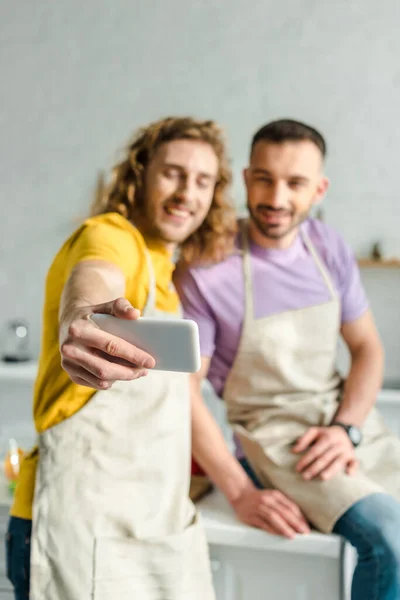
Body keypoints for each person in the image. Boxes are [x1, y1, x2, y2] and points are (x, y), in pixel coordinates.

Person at [5, 116, 236, 600]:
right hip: (78, 527)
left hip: (150, 524)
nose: (186, 193)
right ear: (140, 174)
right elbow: (93, 279)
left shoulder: (169, 275)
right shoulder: (110, 235)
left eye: (202, 181)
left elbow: (188, 403)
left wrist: (243, 492)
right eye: (172, 173)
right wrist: (84, 318)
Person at [176, 119, 400, 600]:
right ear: (245, 177)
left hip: (346, 427)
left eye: (295, 183)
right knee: (389, 540)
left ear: (319, 189)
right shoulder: (205, 266)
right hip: (274, 442)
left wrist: (347, 429)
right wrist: (239, 491)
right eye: (264, 178)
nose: (276, 198)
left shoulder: (328, 246)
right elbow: (184, 392)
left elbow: (367, 350)